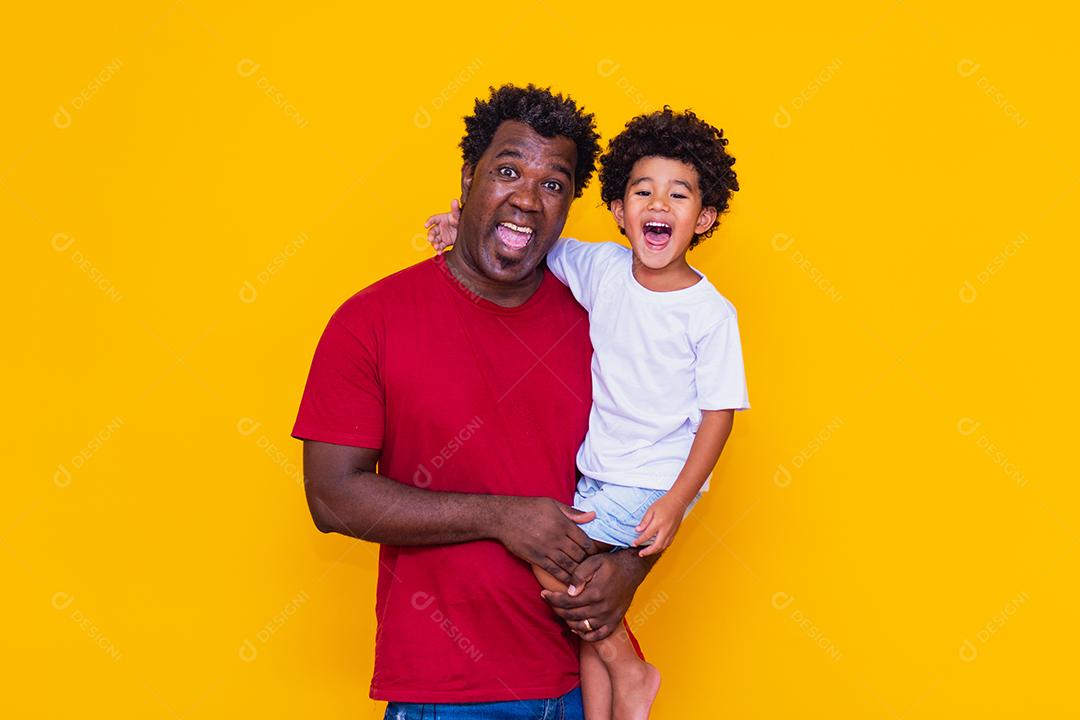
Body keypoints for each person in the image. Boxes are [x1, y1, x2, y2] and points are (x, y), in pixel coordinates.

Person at [291, 84, 661, 720]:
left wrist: (631, 566)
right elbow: (332, 497)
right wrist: (501, 516)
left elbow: (657, 452)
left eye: (554, 184)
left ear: (572, 204)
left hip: (579, 683)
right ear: (469, 178)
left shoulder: (606, 320)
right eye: (509, 169)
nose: (526, 197)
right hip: (442, 690)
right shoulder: (370, 321)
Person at [425, 107, 750, 719]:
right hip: (599, 471)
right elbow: (525, 240)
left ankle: (633, 673)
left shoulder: (710, 313)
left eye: (679, 195)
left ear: (702, 219)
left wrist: (677, 501)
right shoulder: (599, 266)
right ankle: (604, 709)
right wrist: (457, 220)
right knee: (588, 609)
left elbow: (719, 416)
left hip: (655, 477)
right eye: (642, 192)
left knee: (553, 554)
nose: (659, 204)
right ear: (620, 212)